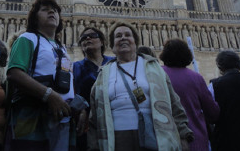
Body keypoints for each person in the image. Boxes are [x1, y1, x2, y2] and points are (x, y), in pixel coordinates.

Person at [88, 21, 194, 151]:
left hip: (157, 136)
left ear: (135, 42)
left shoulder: (154, 68)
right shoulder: (104, 73)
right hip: (117, 138)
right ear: (112, 46)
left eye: (128, 34)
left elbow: (174, 104)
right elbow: (94, 115)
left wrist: (183, 136)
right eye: (118, 36)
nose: (123, 38)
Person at [6, 0, 77, 151]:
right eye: (44, 10)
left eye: (55, 10)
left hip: (60, 119)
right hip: (33, 116)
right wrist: (49, 95)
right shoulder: (27, 39)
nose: (51, 12)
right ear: (35, 18)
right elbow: (14, 73)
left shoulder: (61, 48)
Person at [160, 38, 219, 151]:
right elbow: (213, 113)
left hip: (165, 141)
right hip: (195, 141)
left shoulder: (158, 74)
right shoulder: (196, 78)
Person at [73, 27, 114, 150]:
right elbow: (70, 93)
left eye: (92, 35)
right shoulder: (75, 67)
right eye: (83, 38)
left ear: (102, 42)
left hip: (114, 117)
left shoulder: (114, 63)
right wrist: (81, 109)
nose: (88, 38)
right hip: (87, 122)